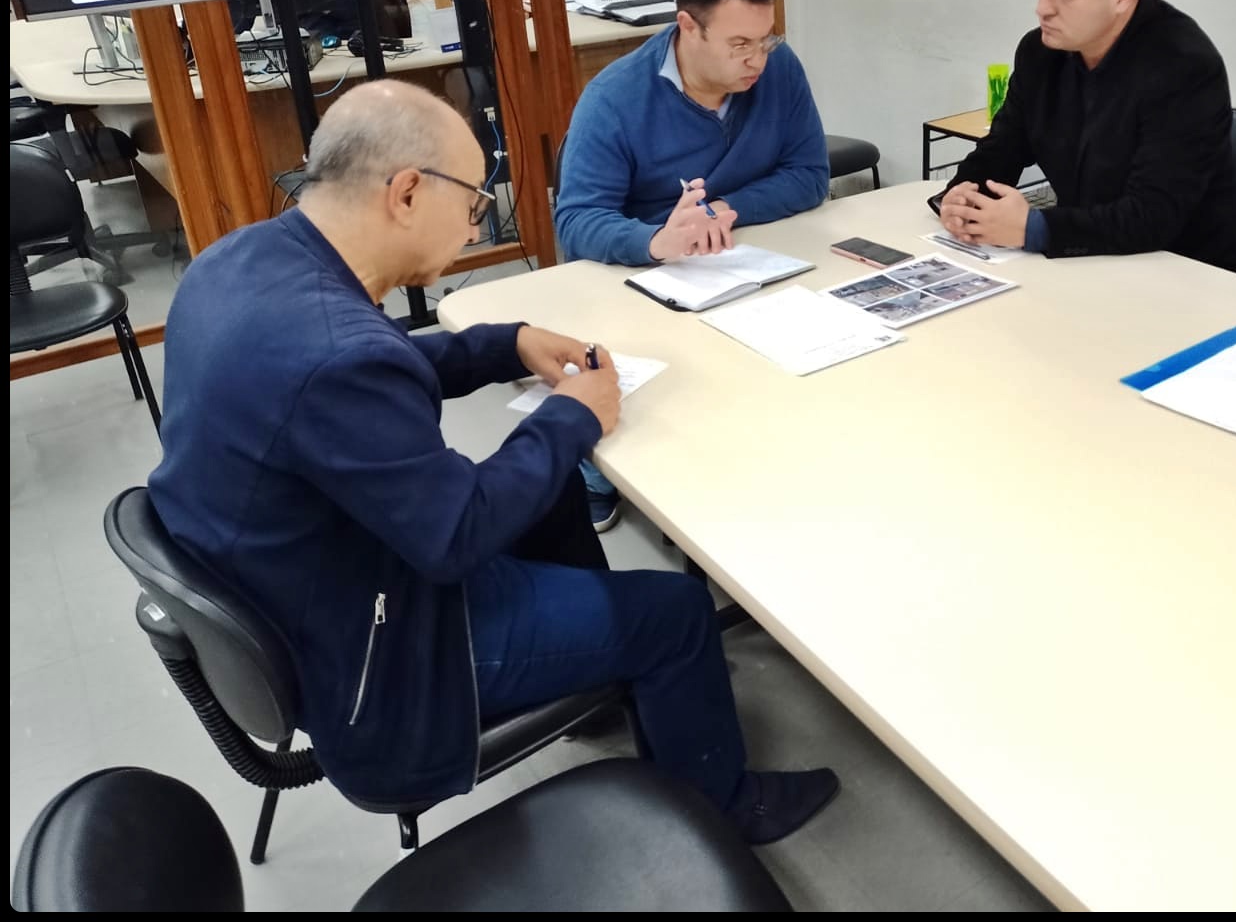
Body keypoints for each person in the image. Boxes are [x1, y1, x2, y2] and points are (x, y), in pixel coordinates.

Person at [147, 80, 840, 843]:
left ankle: (600, 678)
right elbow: (456, 534)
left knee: (549, 495)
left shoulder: (241, 260)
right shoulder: (336, 355)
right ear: (407, 193)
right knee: (675, 614)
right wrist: (574, 415)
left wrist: (501, 343)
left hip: (312, 577)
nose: (477, 224)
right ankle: (724, 811)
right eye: (475, 201)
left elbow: (358, 380)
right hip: (384, 655)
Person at [555, 0, 830, 530]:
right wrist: (655, 241)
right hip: (647, 281)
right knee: (658, 409)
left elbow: (810, 176)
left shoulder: (778, 69)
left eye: (766, 39)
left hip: (749, 265)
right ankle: (598, 467)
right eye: (740, 45)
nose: (758, 60)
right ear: (688, 26)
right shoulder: (615, 98)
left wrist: (729, 208)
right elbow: (576, 220)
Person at [932, 0, 1236, 275]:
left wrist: (1032, 228)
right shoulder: (1040, 52)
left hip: (1191, 273)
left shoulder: (1184, 65)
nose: (1042, 8)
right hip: (1092, 263)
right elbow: (1002, 148)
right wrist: (962, 196)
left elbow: (1152, 217)